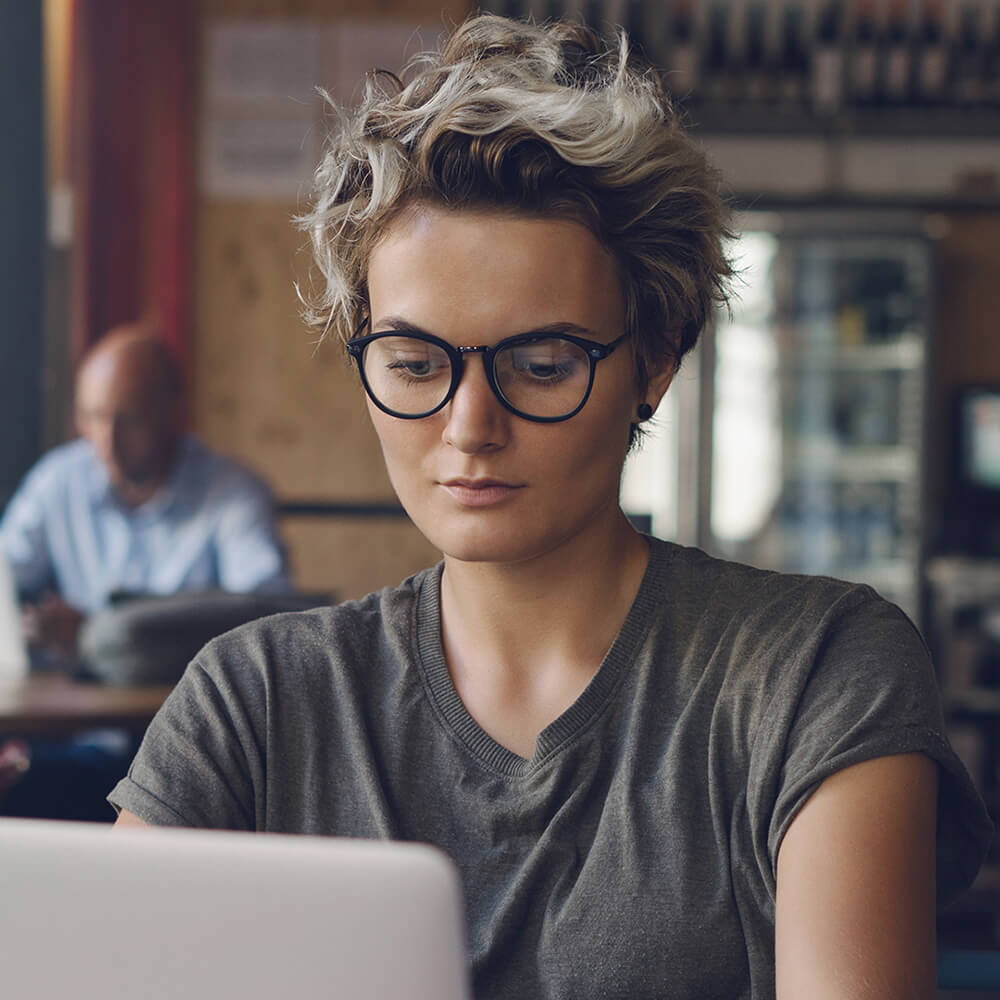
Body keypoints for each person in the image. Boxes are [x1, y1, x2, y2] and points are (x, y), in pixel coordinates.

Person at [109, 15, 992, 999]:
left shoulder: (813, 676)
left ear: (652, 363)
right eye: (413, 363)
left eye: (540, 363)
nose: (468, 425)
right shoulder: (255, 703)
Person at [1, 323, 291, 819]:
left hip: (199, 761)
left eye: (128, 419)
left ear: (174, 411)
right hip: (82, 747)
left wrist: (95, 636)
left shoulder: (232, 491)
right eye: (92, 417)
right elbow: (6, 570)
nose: (106, 442)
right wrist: (25, 622)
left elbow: (264, 615)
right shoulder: (59, 481)